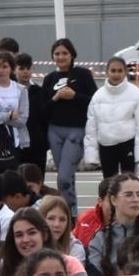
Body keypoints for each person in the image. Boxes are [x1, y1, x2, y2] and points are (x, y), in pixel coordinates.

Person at [38, 38, 94, 203]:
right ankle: (72, 215)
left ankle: (67, 211)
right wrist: (55, 98)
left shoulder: (83, 75)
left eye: (64, 53)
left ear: (72, 55)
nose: (61, 57)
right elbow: (42, 110)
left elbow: (94, 101)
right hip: (54, 131)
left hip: (76, 131)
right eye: (57, 53)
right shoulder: (49, 78)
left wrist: (75, 96)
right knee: (67, 177)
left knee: (63, 178)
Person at [87, 58, 139, 180]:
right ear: (107, 72)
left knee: (129, 182)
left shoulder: (136, 93)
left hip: (127, 144)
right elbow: (91, 127)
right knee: (109, 184)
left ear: (125, 72)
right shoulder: (98, 96)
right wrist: (92, 155)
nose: (116, 74)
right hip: (106, 146)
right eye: (113, 71)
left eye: (120, 71)